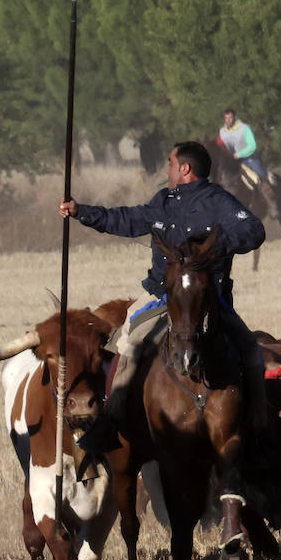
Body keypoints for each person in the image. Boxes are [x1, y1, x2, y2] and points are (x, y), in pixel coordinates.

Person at [57, 140, 268, 462]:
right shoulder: (163, 201)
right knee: (126, 343)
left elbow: (254, 231)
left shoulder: (220, 202)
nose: (167, 169)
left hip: (209, 300)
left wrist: (211, 245)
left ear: (185, 169)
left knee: (249, 347)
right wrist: (80, 212)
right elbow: (126, 220)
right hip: (159, 295)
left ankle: (257, 416)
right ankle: (111, 420)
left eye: (170, 164)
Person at [217, 109, 267, 186]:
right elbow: (220, 145)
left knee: (261, 177)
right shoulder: (222, 131)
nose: (228, 120)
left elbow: (252, 145)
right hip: (233, 161)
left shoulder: (244, 128)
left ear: (235, 117)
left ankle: (271, 193)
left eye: (230, 118)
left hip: (250, 159)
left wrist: (239, 154)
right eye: (226, 118)